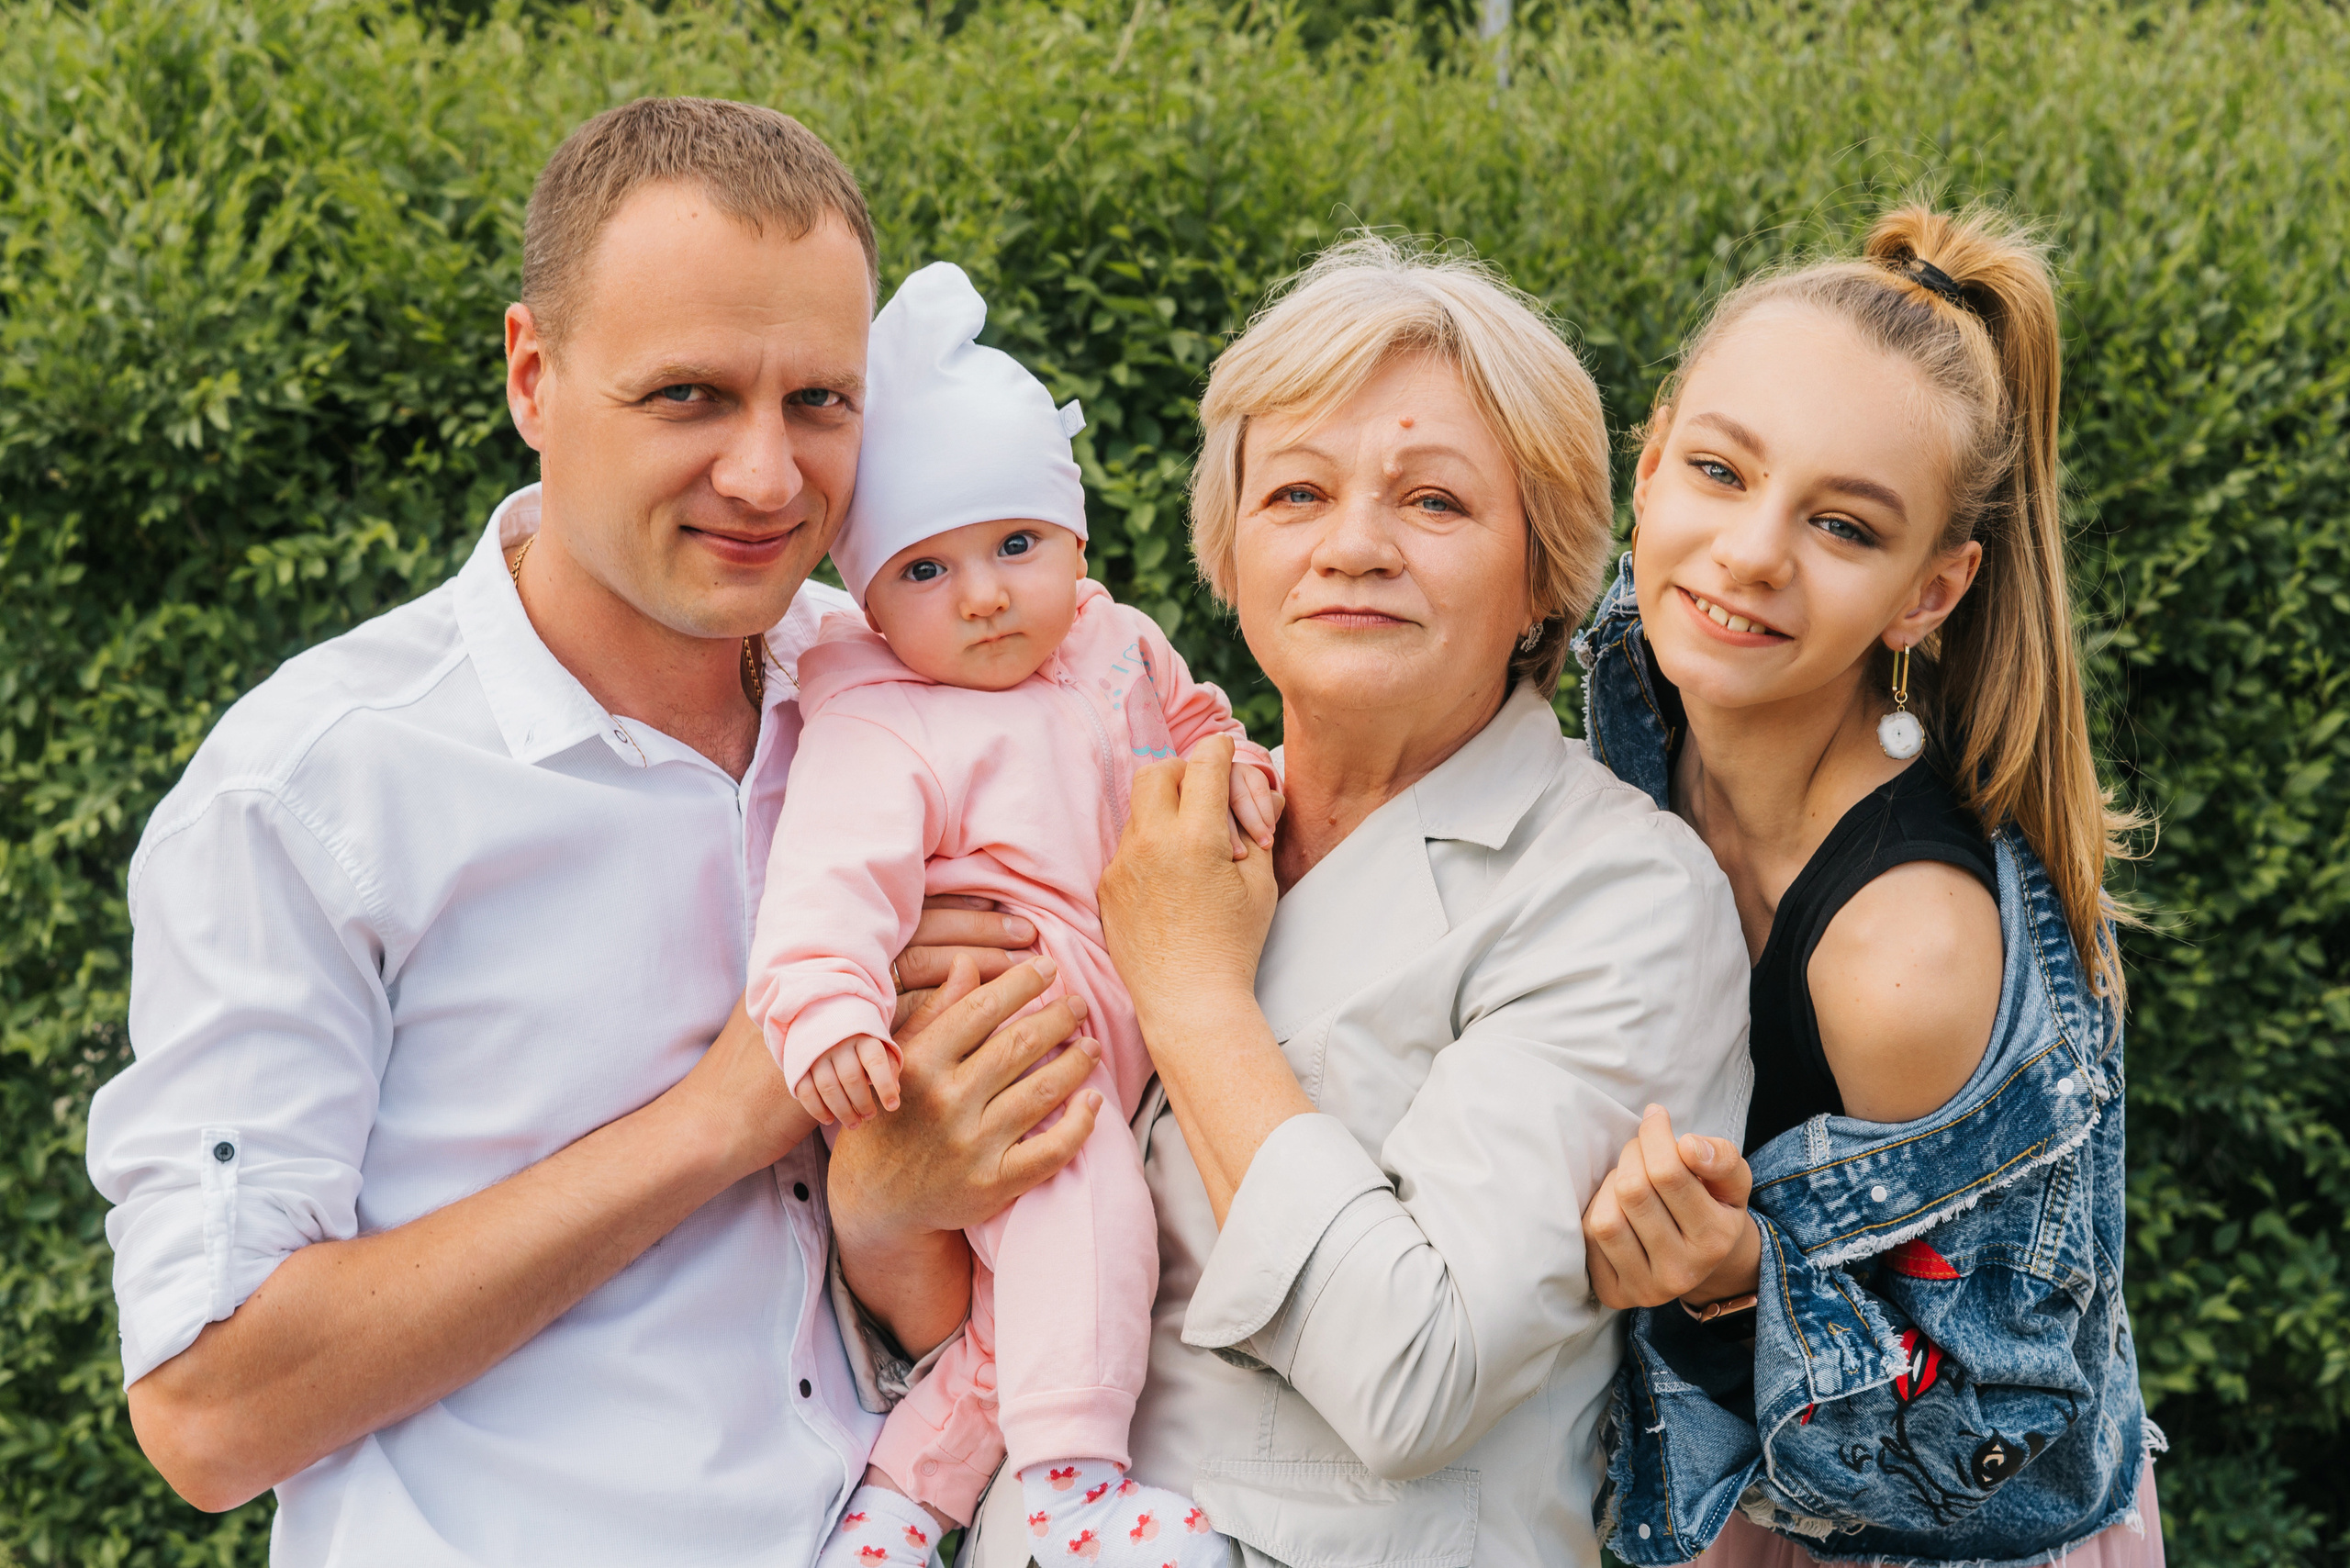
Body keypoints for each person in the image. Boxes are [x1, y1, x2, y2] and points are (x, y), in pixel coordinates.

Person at [83, 98, 1105, 1566]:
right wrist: (722, 1118)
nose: (768, 476)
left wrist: (896, 1200)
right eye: (689, 396)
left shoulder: (904, 685)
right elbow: (209, 1409)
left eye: (818, 401)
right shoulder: (317, 790)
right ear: (534, 375)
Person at [951, 238, 1752, 1567]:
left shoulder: (1622, 894)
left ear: (1541, 571)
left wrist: (1192, 994)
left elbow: (1418, 1373)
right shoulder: (1157, 824)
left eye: (1433, 504)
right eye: (1298, 494)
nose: (1355, 547)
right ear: (1229, 545)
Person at [1573, 205, 2160, 1565]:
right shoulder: (1634, 671)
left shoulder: (1908, 961)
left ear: (1928, 594)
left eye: (1842, 525)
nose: (1751, 554)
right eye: (1719, 471)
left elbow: (2001, 1447)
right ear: (1650, 461)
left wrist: (1734, 1288)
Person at [747, 263, 1276, 1567]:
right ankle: (1073, 1490)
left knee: (1021, 1323)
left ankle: (896, 1511)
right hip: (1020, 1045)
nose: (983, 596)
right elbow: (827, 881)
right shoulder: (883, 718)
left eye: (1017, 547)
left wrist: (1245, 778)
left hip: (1117, 1026)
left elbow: (1197, 720)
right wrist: (827, 1010)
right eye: (925, 568)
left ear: (1076, 543)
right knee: (1087, 1229)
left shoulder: (1113, 642)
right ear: (867, 595)